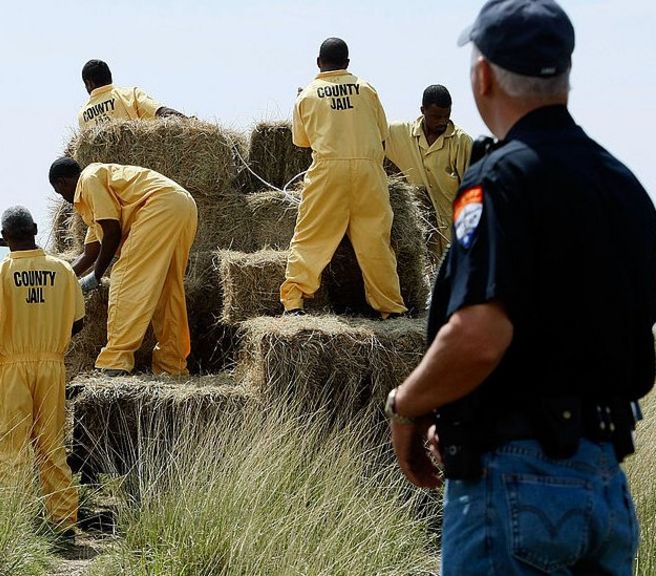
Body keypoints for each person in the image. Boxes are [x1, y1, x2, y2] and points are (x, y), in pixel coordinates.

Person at [386, 1, 655, 574]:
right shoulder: (624, 185)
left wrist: (409, 407)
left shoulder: (501, 178)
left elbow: (482, 335)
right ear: (564, 75)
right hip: (605, 483)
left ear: (482, 76)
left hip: (512, 487)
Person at [0, 206, 85, 539]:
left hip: (10, 368)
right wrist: (49, 332)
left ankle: (17, 522)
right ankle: (64, 521)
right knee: (51, 445)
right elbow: (78, 322)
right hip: (51, 367)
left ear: (4, 236)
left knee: (11, 447)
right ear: (35, 229)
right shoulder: (63, 270)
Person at [280, 38, 406, 318]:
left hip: (328, 170)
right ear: (347, 63)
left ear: (318, 62)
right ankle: (391, 306)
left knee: (311, 235)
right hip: (369, 171)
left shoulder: (308, 95)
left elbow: (302, 142)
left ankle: (294, 301)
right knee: (375, 240)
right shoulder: (366, 89)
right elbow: (382, 132)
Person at [49, 158, 197, 375]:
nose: (63, 198)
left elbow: (112, 232)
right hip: (182, 206)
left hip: (158, 206)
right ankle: (172, 365)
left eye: (59, 192)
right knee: (168, 290)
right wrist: (65, 278)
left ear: (61, 183)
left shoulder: (89, 181)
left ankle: (114, 361)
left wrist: (96, 276)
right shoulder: (97, 192)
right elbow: (91, 251)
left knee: (126, 279)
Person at [385, 85, 473, 258]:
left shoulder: (461, 142)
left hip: (452, 232)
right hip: (419, 232)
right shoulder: (399, 133)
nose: (442, 122)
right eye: (436, 116)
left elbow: (473, 190)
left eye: (446, 116)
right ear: (422, 110)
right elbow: (373, 140)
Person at [78, 59, 186, 130]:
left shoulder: (83, 114)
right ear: (110, 76)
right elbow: (161, 111)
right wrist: (189, 122)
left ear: (89, 83)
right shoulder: (130, 94)